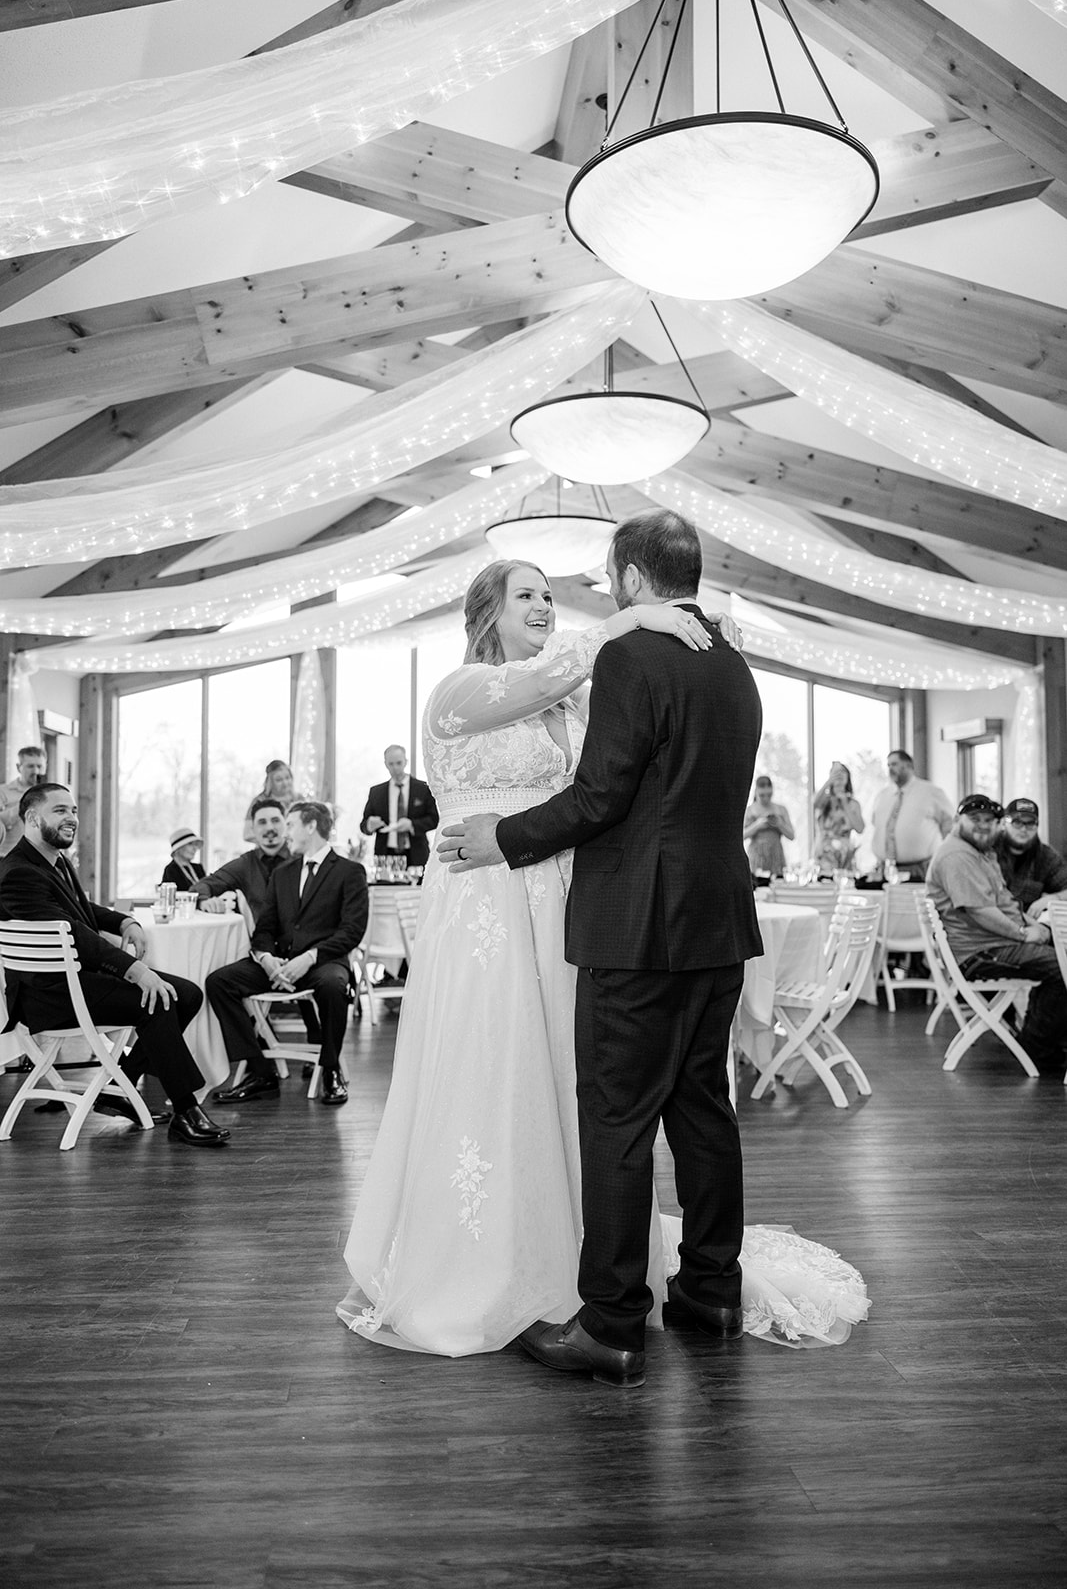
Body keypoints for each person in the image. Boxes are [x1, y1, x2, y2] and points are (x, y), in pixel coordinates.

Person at [338, 530, 869, 1372]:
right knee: (694, 1106)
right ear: (486, 613)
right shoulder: (724, 661)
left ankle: (611, 1323)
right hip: (678, 915)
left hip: (616, 914)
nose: (549, 606)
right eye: (528, 595)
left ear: (627, 580)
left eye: (556, 593)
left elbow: (602, 794)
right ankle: (710, 1288)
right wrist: (613, 634)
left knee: (614, 1116)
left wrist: (506, 834)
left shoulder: (621, 663)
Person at [0, 783, 230, 1148]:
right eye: (60, 810)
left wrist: (124, 922)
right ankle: (185, 1110)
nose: (72, 818)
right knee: (158, 1001)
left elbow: (82, 913)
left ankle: (118, 1085)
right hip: (49, 997)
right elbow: (76, 935)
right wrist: (138, 971)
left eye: (74, 810)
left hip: (73, 982)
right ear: (31, 817)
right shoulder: (17, 873)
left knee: (186, 994)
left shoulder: (52, 861)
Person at [207, 801, 368, 1108]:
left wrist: (308, 958)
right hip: (278, 964)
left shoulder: (350, 872)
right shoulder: (283, 873)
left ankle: (331, 1070)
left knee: (334, 986)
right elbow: (265, 928)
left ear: (310, 826)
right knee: (219, 982)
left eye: (290, 825)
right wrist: (266, 958)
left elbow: (352, 931)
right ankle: (260, 1072)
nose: (285, 832)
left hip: (323, 963)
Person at [927, 793, 1067, 1074]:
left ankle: (1045, 1039)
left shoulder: (979, 851)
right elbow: (980, 912)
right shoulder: (957, 856)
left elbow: (1003, 903)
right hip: (980, 952)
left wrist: (1034, 926)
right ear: (957, 820)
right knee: (1060, 968)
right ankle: (1037, 1049)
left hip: (992, 942)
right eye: (975, 819)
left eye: (989, 820)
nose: (982, 825)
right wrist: (1023, 933)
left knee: (1061, 956)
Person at [194, 797, 290, 923]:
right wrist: (204, 901)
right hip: (261, 939)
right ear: (253, 830)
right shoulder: (245, 864)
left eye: (275, 820)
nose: (269, 828)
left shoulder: (302, 857)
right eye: (262, 822)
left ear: (286, 824)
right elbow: (202, 885)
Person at [871, 749, 953, 880]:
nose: (891, 769)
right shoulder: (882, 795)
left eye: (895, 764)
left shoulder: (931, 792)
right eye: (889, 765)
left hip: (919, 871)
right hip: (885, 871)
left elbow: (950, 826)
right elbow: (876, 825)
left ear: (908, 765)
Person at [360, 746, 439, 870]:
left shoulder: (423, 789)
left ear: (405, 762)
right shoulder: (376, 792)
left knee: (418, 889)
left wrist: (412, 825)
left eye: (398, 763)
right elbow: (364, 826)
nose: (395, 768)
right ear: (385, 764)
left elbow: (434, 819)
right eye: (391, 764)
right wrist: (370, 825)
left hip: (417, 854)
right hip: (385, 856)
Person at [994, 798, 1067, 921]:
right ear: (1003, 823)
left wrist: (1053, 899)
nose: (1023, 829)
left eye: (1030, 823)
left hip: (1028, 925)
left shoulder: (1046, 856)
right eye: (1017, 822)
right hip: (990, 921)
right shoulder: (988, 850)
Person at [813, 761, 864, 877]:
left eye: (842, 773)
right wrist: (829, 782)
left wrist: (845, 803)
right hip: (823, 855)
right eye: (836, 773)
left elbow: (860, 828)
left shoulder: (853, 804)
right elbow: (814, 804)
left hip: (843, 858)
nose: (839, 776)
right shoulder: (825, 800)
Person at [0, 745, 47, 859]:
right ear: (18, 767)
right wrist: (26, 802)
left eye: (39, 766)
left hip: (41, 860)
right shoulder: (3, 791)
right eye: (30, 766)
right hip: (9, 859)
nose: (36, 771)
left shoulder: (51, 795)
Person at [743, 775, 795, 879]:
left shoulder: (780, 810)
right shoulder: (749, 811)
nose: (766, 798)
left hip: (776, 857)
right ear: (756, 792)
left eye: (769, 794)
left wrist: (779, 824)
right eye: (762, 795)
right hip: (757, 858)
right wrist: (757, 825)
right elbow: (741, 836)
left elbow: (792, 836)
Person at [242, 759, 296, 843]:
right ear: (270, 782)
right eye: (279, 780)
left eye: (287, 778)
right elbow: (247, 834)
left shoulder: (299, 799)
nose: (285, 783)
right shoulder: (259, 801)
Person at [160, 827, 206, 892]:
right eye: (190, 844)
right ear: (179, 848)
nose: (194, 848)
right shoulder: (171, 870)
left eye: (195, 844)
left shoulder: (198, 868)